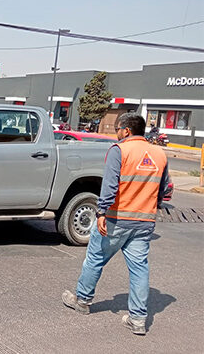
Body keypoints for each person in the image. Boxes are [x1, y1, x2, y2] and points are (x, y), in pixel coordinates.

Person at [62, 113, 169, 335]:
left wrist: (101, 212)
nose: (116, 133)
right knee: (139, 269)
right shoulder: (159, 154)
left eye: (118, 129)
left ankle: (82, 301)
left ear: (127, 131)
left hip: (117, 218)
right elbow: (165, 189)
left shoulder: (119, 150)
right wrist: (153, 205)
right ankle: (138, 320)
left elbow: (109, 186)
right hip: (144, 221)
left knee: (95, 258)